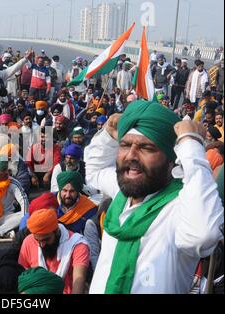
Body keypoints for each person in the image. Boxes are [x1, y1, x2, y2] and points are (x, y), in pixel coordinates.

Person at [85, 100, 224, 293]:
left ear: (170, 159)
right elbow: (94, 170)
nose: (131, 156)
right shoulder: (123, 193)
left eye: (146, 148)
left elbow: (203, 236)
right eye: (125, 145)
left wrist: (191, 144)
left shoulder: (180, 206)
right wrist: (108, 135)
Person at [18, 209, 90, 294]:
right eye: (38, 240)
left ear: (56, 231)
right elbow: (24, 281)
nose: (42, 245)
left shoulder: (78, 245)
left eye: (46, 239)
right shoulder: (28, 242)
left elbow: (79, 278)